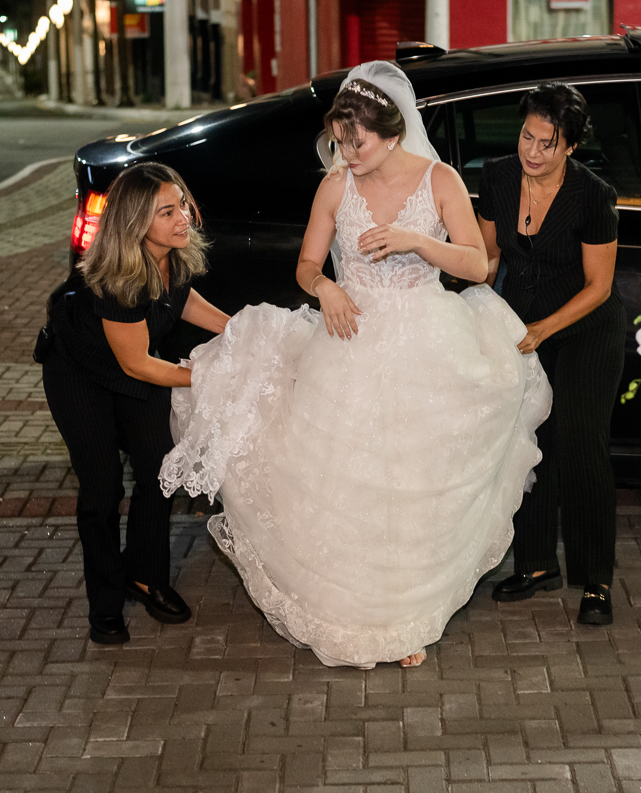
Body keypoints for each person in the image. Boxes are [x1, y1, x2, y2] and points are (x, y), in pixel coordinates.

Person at [160, 61, 551, 669]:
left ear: (392, 134)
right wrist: (327, 289)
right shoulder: (336, 187)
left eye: (357, 142)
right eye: (340, 141)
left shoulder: (440, 180)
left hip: (427, 346)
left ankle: (407, 618)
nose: (346, 153)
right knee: (347, 485)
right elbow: (306, 267)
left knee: (413, 487)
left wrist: (418, 241)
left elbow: (478, 266)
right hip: (349, 344)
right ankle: (352, 613)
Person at [41, 163, 231, 645]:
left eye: (181, 204)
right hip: (79, 374)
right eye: (166, 212)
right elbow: (139, 365)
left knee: (158, 465)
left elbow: (183, 302)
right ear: (135, 223)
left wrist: (243, 332)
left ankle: (145, 576)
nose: (182, 217)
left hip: (131, 366)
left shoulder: (173, 256)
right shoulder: (117, 276)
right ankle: (105, 603)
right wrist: (208, 376)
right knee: (102, 487)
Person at [477, 83, 624, 626]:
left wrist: (542, 329)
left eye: (547, 144)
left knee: (582, 443)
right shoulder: (496, 177)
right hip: (523, 325)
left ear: (571, 147)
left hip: (585, 328)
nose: (532, 152)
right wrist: (476, 314)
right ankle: (537, 564)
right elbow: (489, 258)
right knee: (529, 438)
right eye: (527, 137)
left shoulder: (592, 195)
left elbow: (599, 286)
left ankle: (595, 578)